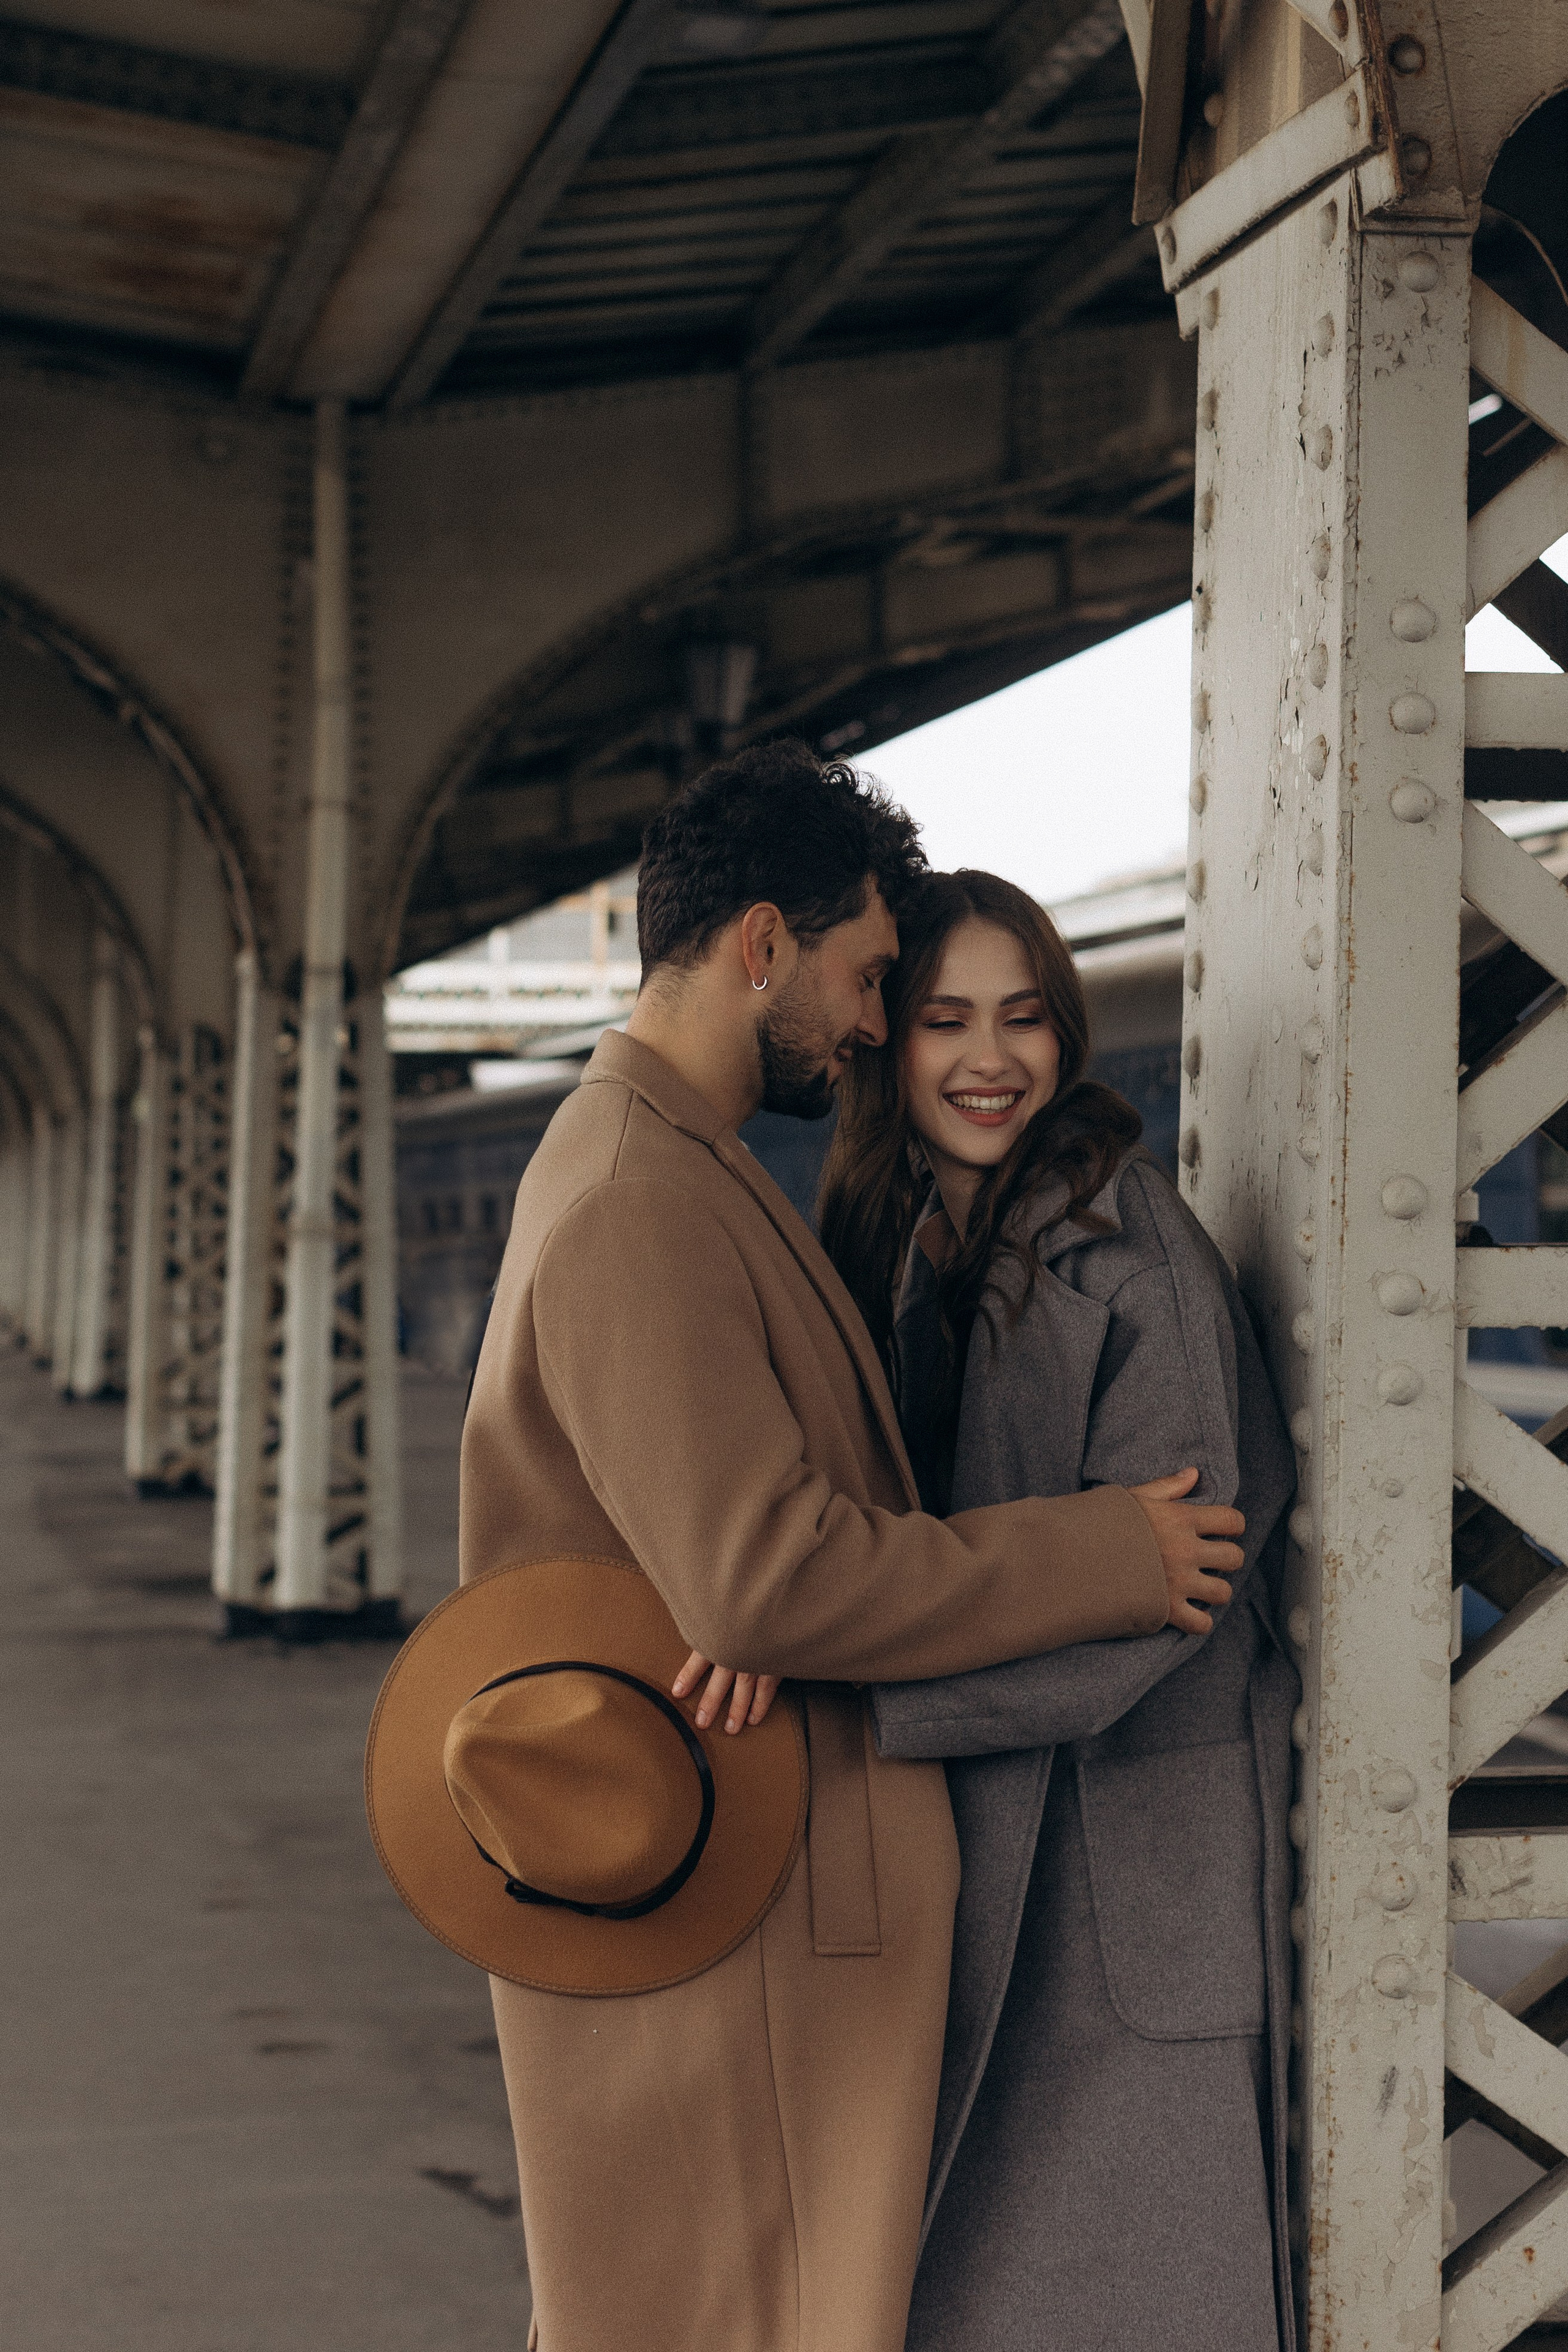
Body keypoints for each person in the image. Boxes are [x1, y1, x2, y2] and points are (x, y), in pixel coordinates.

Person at [459, 743, 1246, 2352]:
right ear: (764, 945)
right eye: (876, 980)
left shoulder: (681, 1169)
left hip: (757, 1881)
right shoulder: (639, 1197)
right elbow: (769, 1579)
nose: (877, 1029)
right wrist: (1104, 1553)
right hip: (746, 1891)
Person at [815, 868, 1298, 2352]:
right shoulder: (907, 1242)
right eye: (944, 1019)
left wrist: (846, 1703)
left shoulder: (1130, 1253)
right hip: (994, 1861)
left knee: (1127, 2299)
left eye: (1023, 1019)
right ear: (884, 1046)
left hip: (1120, 1874)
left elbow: (1166, 1602)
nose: (988, 1058)